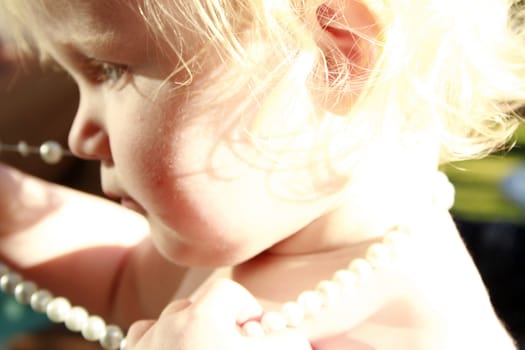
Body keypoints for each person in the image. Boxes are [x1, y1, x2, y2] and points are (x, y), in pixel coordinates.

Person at [0, 0, 524, 349]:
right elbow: (123, 279)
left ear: (336, 58)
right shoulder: (267, 239)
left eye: (110, 69)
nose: (79, 136)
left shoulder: (428, 327)